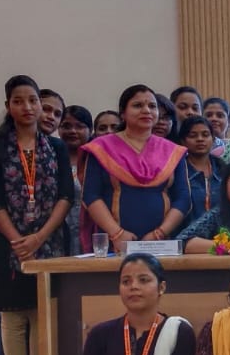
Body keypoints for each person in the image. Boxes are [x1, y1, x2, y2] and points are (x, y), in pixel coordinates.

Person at [0, 74, 75, 355]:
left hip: (49, 242)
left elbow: (66, 195)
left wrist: (39, 237)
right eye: (19, 101)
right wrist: (18, 240)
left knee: (40, 316)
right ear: (8, 106)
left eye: (33, 100)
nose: (28, 107)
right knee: (13, 318)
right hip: (8, 243)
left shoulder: (57, 147)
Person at [81, 85, 192, 253]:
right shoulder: (101, 148)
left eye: (152, 106)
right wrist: (117, 234)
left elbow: (183, 198)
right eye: (138, 105)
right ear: (123, 113)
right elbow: (91, 195)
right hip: (114, 243)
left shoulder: (172, 151)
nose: (146, 110)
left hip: (161, 244)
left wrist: (159, 234)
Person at [57, 105, 93, 254]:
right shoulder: (51, 158)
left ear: (90, 130)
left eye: (80, 126)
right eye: (66, 126)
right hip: (59, 230)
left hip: (91, 229)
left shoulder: (96, 160)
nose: (72, 131)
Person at [175, 116, 222, 226]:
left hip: (222, 233)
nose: (200, 139)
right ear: (183, 141)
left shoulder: (223, 170)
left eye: (205, 135)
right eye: (193, 135)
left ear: (213, 139)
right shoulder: (176, 171)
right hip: (185, 233)